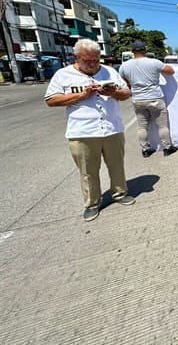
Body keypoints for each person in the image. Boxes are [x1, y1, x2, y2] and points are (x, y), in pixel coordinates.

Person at [44, 38, 134, 222]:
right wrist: (82, 95)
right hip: (82, 131)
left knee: (117, 165)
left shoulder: (109, 71)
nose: (92, 64)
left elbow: (126, 93)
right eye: (87, 61)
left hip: (111, 128)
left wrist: (113, 93)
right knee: (88, 171)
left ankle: (119, 192)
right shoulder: (63, 75)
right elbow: (51, 100)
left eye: (95, 60)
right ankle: (92, 203)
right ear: (76, 57)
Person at [119, 40, 177, 158]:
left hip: (138, 99)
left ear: (132, 51)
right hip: (155, 97)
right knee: (162, 125)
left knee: (142, 126)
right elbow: (171, 71)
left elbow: (122, 80)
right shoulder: (154, 62)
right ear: (145, 50)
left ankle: (145, 149)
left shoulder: (124, 66)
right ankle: (167, 147)